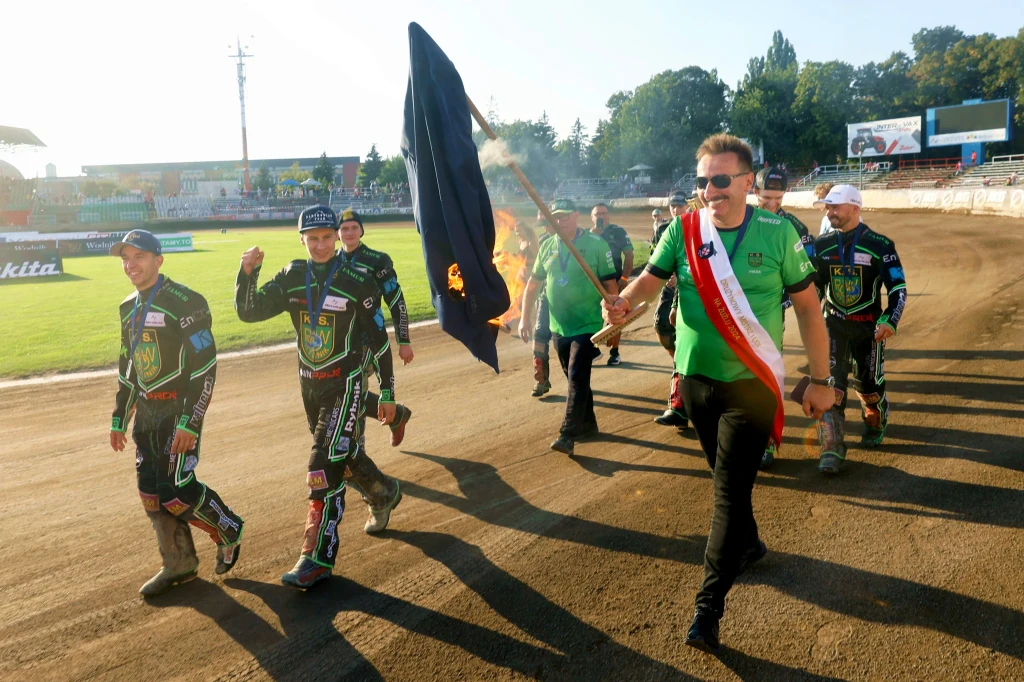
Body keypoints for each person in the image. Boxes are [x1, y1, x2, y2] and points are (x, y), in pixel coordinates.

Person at [602, 134, 833, 653]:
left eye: (722, 180)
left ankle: (708, 609)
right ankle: (748, 545)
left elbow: (808, 309)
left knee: (727, 493)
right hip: (695, 383)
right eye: (703, 181)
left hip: (753, 387)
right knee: (726, 479)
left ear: (748, 182)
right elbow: (647, 283)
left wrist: (821, 381)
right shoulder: (683, 230)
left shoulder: (778, 233)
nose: (710, 190)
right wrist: (620, 303)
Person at [235, 205, 402, 588]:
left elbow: (379, 341)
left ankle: (316, 557)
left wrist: (388, 393)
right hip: (309, 384)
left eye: (328, 237)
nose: (322, 245)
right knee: (342, 456)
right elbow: (249, 312)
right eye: (313, 239)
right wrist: (247, 273)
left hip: (345, 383)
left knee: (322, 464)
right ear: (302, 240)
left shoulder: (357, 281)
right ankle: (383, 491)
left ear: (337, 236)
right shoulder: (292, 276)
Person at [109, 229, 244, 598]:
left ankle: (228, 527)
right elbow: (129, 366)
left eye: (139, 257)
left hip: (178, 410)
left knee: (176, 492)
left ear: (159, 260)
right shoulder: (127, 308)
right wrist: (120, 416)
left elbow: (205, 366)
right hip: (146, 412)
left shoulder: (186, 302)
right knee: (150, 495)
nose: (131, 265)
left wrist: (190, 421)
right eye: (125, 258)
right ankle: (179, 562)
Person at [812, 185, 907, 471]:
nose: (829, 212)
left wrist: (890, 319)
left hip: (869, 329)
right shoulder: (822, 244)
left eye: (835, 207)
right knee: (831, 385)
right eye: (828, 207)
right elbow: (815, 287)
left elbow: (898, 288)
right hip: (833, 326)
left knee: (868, 386)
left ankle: (875, 418)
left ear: (855, 208)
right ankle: (831, 446)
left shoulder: (881, 245)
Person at [518, 199, 619, 456]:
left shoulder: (596, 244)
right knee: (575, 376)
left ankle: (567, 434)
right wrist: (524, 317)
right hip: (559, 326)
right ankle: (588, 424)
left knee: (575, 374)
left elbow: (610, 285)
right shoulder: (548, 245)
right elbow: (534, 283)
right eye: (555, 217)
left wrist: (614, 320)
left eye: (564, 216)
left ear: (576, 215)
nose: (559, 221)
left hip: (588, 323)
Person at [752, 166, 816, 469]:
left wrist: (784, 300)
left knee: (765, 375)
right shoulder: (738, 220)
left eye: (778, 198)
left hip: (769, 316)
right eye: (766, 198)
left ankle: (765, 440)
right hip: (730, 312)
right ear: (754, 192)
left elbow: (807, 277)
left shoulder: (796, 227)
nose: (772, 204)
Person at [336, 208, 413, 447]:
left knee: (351, 392)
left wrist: (404, 341)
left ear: (361, 231)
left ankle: (356, 452)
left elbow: (396, 301)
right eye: (344, 229)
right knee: (344, 392)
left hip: (368, 339)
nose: (349, 233)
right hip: (340, 341)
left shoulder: (377, 260)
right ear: (337, 233)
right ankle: (397, 416)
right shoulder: (331, 261)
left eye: (354, 228)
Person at [652, 192, 692, 429]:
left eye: (680, 205)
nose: (676, 209)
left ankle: (679, 404)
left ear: (688, 206)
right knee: (661, 325)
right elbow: (655, 257)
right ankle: (683, 365)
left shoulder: (697, 226)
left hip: (692, 285)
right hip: (670, 285)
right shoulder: (663, 229)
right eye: (673, 206)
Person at [589, 203, 634, 366]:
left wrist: (624, 278)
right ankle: (592, 349)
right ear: (592, 217)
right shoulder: (587, 235)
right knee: (592, 315)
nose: (601, 217)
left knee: (615, 315)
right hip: (593, 283)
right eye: (597, 214)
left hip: (613, 281)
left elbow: (629, 255)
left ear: (608, 215)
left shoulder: (618, 231)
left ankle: (614, 352)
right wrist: (591, 238)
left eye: (604, 213)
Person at [530, 210, 558, 397]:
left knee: (565, 341)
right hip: (546, 295)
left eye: (547, 224)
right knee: (539, 335)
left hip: (572, 297)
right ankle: (541, 380)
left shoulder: (576, 240)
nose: (545, 229)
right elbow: (539, 272)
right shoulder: (544, 241)